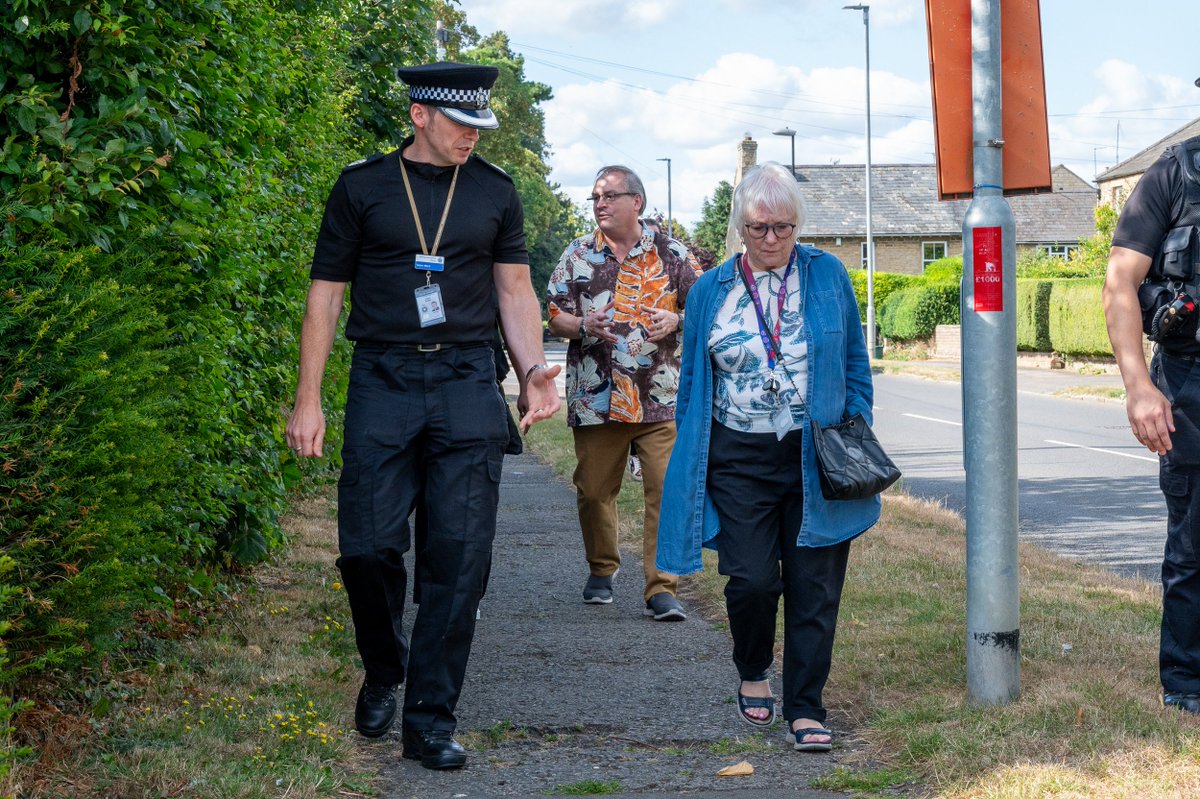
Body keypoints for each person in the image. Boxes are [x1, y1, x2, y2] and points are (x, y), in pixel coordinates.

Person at [284, 62, 561, 770]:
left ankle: (430, 720)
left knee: (459, 559)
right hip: (383, 378)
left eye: (479, 125)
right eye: (461, 123)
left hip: (467, 379)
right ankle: (385, 665)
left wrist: (532, 369)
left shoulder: (495, 191)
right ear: (419, 115)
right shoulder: (362, 187)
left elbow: (514, 290)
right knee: (366, 547)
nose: (473, 136)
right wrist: (308, 398)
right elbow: (325, 296)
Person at [656, 162, 878, 751]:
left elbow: (855, 361)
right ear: (740, 227)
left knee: (814, 589)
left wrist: (855, 427)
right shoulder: (710, 290)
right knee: (752, 581)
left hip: (816, 454)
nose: (773, 239)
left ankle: (806, 707)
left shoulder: (828, 274)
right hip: (739, 457)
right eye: (759, 228)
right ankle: (753, 668)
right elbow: (693, 383)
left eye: (784, 227)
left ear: (798, 225)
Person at [546, 166, 702, 620]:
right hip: (596, 397)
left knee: (666, 492)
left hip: (660, 397)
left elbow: (709, 308)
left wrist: (678, 320)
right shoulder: (577, 254)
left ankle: (662, 588)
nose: (600, 204)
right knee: (594, 492)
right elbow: (553, 314)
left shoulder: (673, 253)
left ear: (637, 201)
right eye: (595, 197)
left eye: (610, 195)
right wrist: (581, 324)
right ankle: (601, 568)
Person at [1103, 134, 1200, 714]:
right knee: (1194, 545)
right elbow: (1121, 282)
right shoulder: (1175, 174)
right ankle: (1188, 684)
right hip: (1192, 382)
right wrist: (1138, 386)